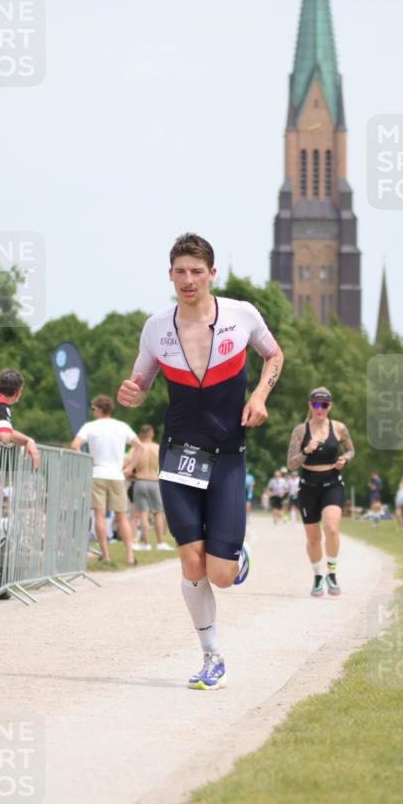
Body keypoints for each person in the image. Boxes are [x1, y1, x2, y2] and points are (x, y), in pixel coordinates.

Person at [117, 232, 283, 690]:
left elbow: (274, 354)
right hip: (179, 455)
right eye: (180, 271)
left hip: (228, 453)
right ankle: (212, 657)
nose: (188, 280)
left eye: (196, 271)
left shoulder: (241, 315)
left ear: (212, 273)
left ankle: (232, 555)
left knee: (221, 575)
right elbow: (140, 383)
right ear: (169, 275)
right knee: (192, 564)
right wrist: (131, 393)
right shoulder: (156, 328)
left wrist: (261, 395)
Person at [287, 386, 355, 597]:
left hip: (332, 482)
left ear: (329, 406)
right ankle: (318, 576)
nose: (319, 408)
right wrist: (306, 451)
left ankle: (331, 573)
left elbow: (351, 450)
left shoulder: (340, 428)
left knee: (332, 527)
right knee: (313, 537)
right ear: (310, 405)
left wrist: (345, 459)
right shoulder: (300, 430)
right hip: (308, 484)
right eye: (316, 404)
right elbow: (291, 463)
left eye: (323, 404)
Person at [71, 395, 142, 567]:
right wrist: (129, 467)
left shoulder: (90, 426)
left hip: (97, 473)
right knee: (122, 516)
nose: (92, 411)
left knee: (99, 515)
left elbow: (75, 445)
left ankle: (106, 555)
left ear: (99, 409)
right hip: (117, 475)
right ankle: (130, 556)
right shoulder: (121, 426)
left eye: (93, 409)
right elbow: (139, 446)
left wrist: (86, 462)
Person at [124, 424, 171, 552]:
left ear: (141, 434)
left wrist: (132, 474)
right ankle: (161, 543)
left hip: (140, 481)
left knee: (143, 514)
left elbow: (125, 465)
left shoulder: (135, 449)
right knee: (157, 513)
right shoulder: (158, 448)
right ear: (152, 434)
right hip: (155, 482)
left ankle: (146, 544)